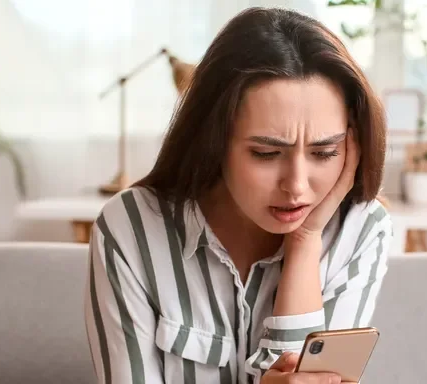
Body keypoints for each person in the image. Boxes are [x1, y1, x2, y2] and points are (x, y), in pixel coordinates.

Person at [84, 6, 392, 384]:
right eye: (266, 153)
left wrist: (304, 242)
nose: (297, 186)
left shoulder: (361, 230)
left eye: (324, 153)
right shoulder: (131, 228)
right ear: (214, 141)